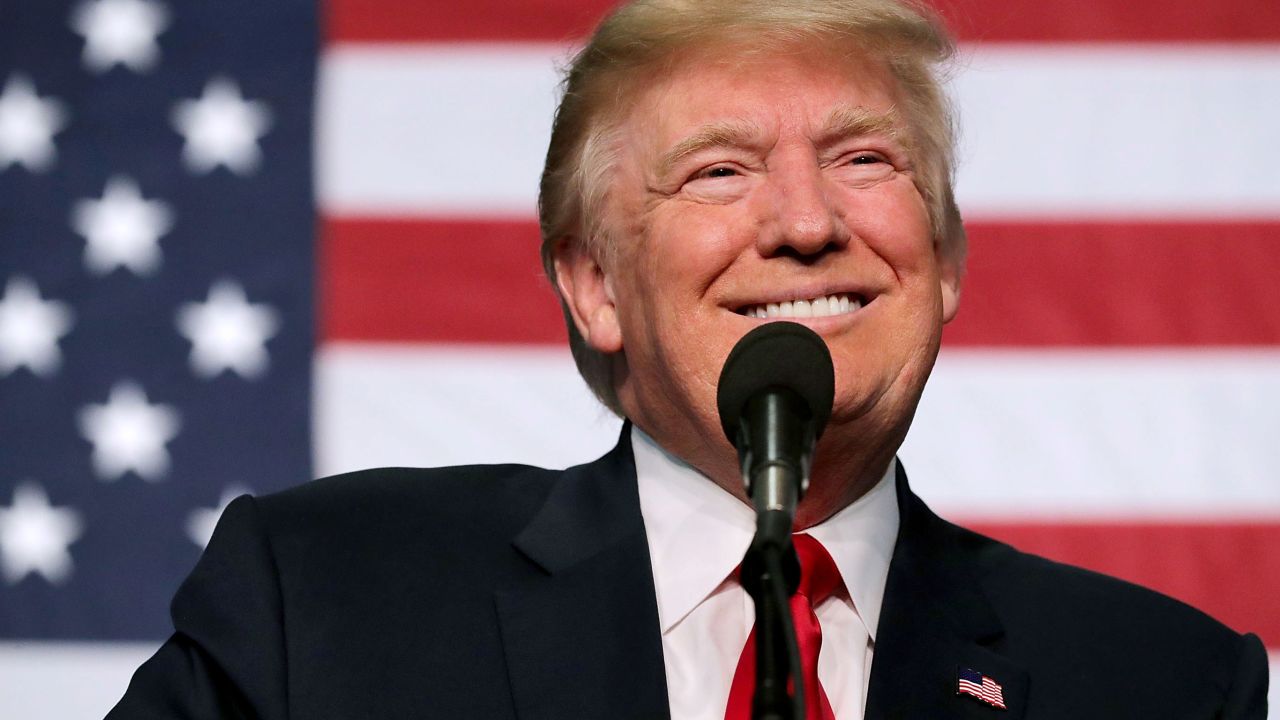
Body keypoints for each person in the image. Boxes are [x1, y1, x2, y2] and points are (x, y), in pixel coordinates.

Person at [108, 0, 1269, 718]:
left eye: (865, 159)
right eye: (718, 170)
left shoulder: (1158, 682)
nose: (805, 223)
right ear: (594, 285)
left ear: (946, 259)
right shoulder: (323, 601)